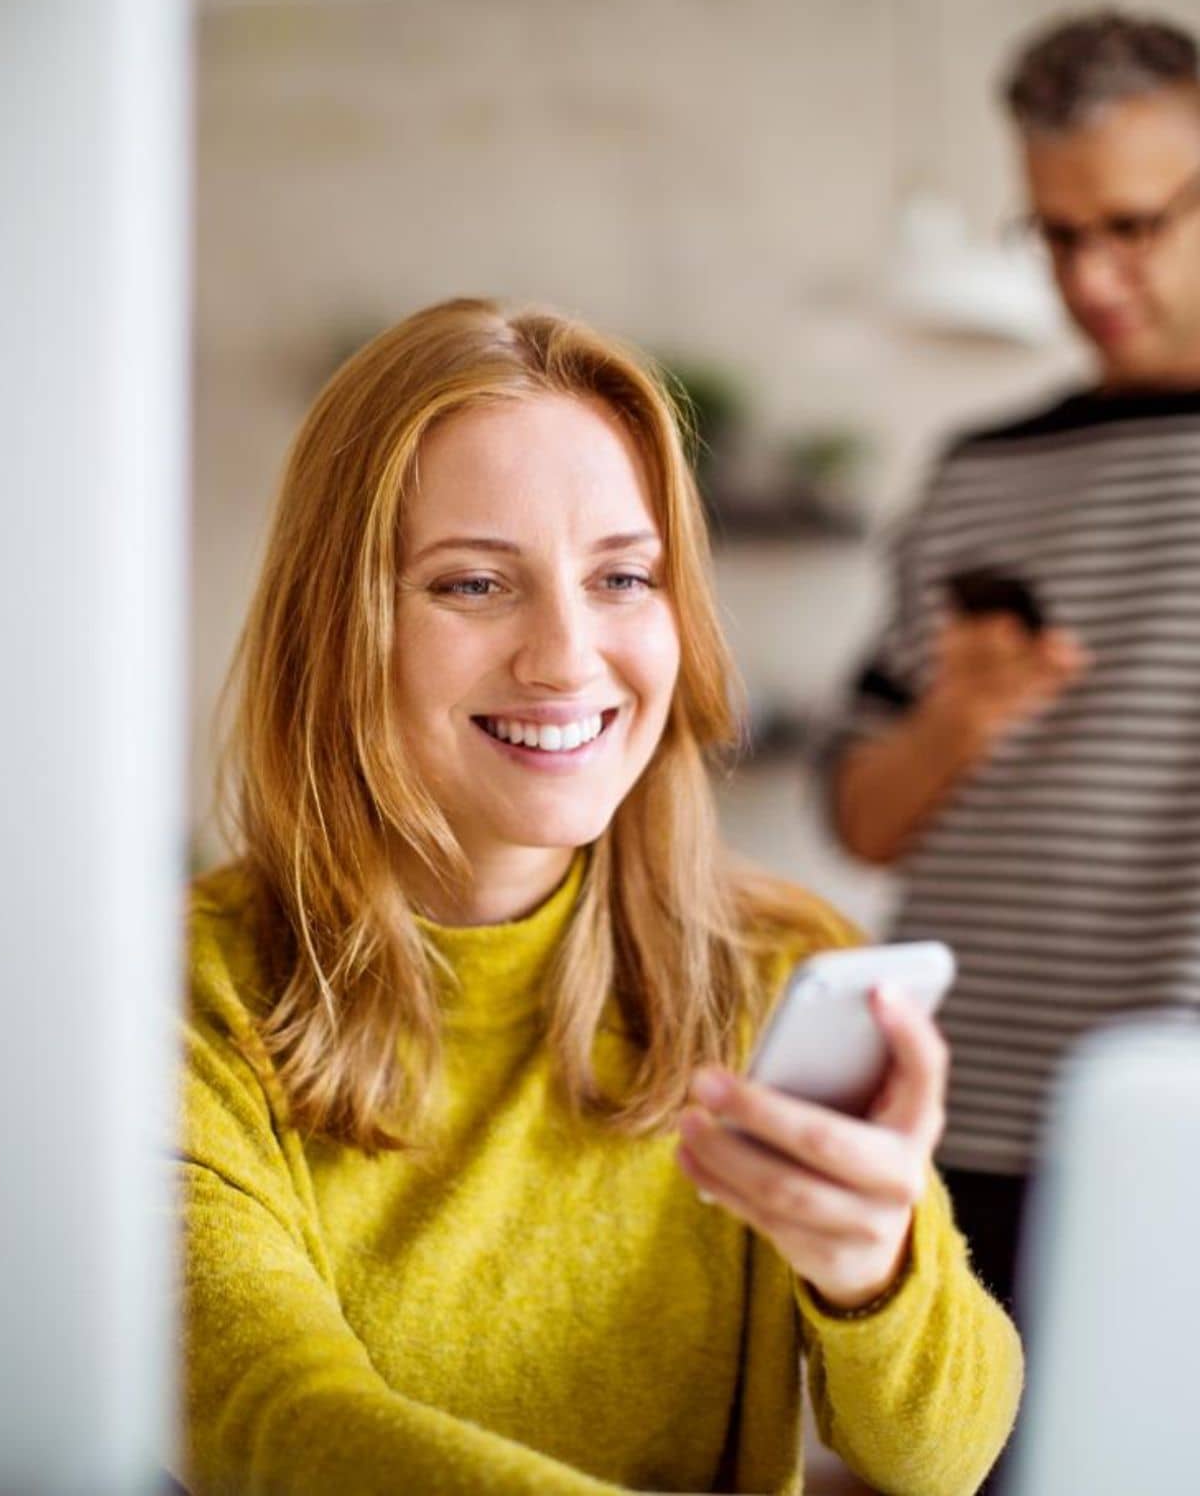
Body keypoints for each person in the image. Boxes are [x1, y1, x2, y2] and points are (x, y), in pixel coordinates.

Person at [178, 297, 1021, 1495]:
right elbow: (278, 1422)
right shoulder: (183, 995)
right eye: (473, 585)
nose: (568, 656)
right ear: (341, 625)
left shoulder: (774, 967)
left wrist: (877, 1267)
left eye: (624, 577)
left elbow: (940, 1459)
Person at [827, 9, 1200, 1332]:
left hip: (1176, 1132)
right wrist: (958, 723)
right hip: (956, 1113)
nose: (1091, 277)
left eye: (1134, 225)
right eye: (1056, 232)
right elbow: (860, 817)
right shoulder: (976, 476)